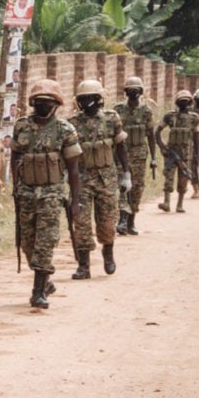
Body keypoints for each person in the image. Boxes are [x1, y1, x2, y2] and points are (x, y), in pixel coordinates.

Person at [11, 79, 80, 308]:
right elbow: (15, 156)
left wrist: (75, 199)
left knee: (45, 241)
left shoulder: (65, 130)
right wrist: (14, 187)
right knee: (27, 242)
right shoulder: (22, 126)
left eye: (47, 102)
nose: (42, 106)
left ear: (56, 104)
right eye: (38, 102)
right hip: (26, 192)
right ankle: (46, 281)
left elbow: (73, 167)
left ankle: (37, 291)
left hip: (52, 193)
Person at [68, 79, 130, 279]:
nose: (88, 103)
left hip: (107, 178)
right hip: (82, 179)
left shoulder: (112, 119)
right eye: (83, 99)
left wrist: (126, 174)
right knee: (81, 222)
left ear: (99, 99)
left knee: (107, 220)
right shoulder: (73, 123)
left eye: (91, 98)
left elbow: (121, 148)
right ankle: (84, 265)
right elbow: (67, 156)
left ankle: (108, 253)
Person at [113, 76, 157, 236]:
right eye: (130, 90)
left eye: (136, 90)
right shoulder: (117, 110)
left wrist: (153, 158)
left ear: (141, 92)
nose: (133, 93)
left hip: (139, 155)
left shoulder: (146, 111)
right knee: (124, 186)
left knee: (137, 188)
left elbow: (151, 135)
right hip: (121, 154)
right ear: (125, 92)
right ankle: (122, 220)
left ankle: (131, 221)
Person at [155, 90, 199, 213]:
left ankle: (180, 205)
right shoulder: (170, 116)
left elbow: (196, 136)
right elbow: (157, 131)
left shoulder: (194, 118)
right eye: (181, 101)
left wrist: (196, 154)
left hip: (186, 154)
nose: (184, 103)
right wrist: (162, 147)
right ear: (177, 102)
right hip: (171, 153)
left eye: (186, 101)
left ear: (190, 102)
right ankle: (166, 202)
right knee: (168, 178)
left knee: (183, 179)